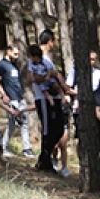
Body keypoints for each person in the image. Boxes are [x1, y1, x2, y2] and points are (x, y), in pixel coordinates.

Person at [27, 44, 71, 174]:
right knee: (47, 129)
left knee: (59, 129)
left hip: (55, 96)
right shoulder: (31, 64)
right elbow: (30, 78)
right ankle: (45, 160)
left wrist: (64, 90)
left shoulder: (46, 61)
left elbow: (55, 73)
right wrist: (41, 77)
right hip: (43, 98)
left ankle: (44, 157)